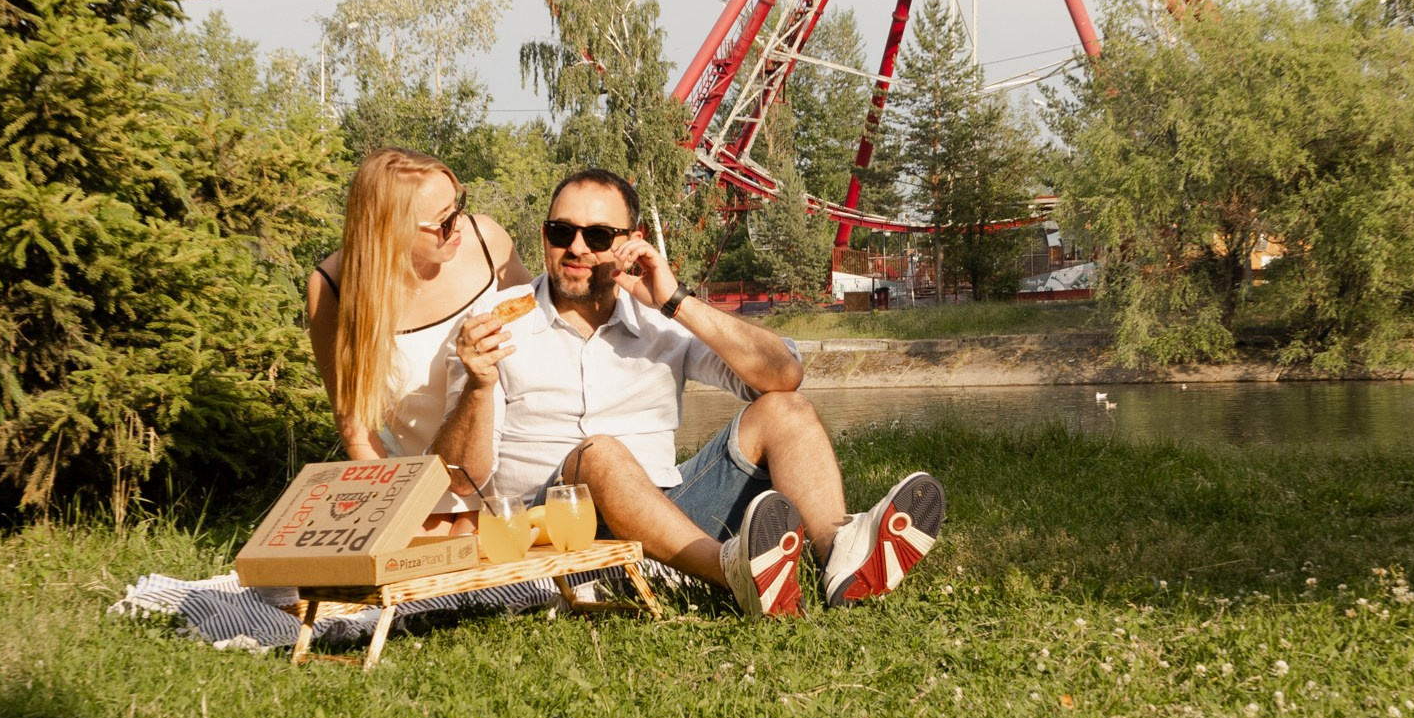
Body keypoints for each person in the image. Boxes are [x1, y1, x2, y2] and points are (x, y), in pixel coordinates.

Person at [438, 167, 943, 619]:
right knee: (601, 453)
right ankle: (731, 573)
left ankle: (841, 559)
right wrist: (479, 386)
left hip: (670, 516)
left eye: (596, 235)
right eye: (560, 231)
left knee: (786, 410)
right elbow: (461, 479)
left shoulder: (659, 316)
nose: (575, 248)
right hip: (553, 529)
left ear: (630, 244)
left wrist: (676, 301)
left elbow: (784, 373)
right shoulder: (495, 325)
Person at [305, 149, 531, 469]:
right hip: (419, 477)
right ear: (392, 229)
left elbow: (539, 340)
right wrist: (401, 507)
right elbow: (354, 426)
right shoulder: (335, 286)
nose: (461, 225)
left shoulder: (487, 242)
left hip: (513, 465)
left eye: (459, 206)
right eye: (445, 220)